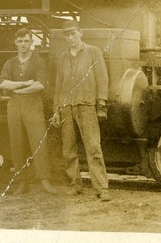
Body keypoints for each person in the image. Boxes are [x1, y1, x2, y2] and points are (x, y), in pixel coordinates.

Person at [50, 19, 112, 201]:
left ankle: (102, 188)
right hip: (66, 107)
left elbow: (102, 78)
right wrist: (56, 110)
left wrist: (101, 104)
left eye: (73, 33)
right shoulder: (62, 57)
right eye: (67, 35)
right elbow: (58, 86)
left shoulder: (93, 52)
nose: (71, 37)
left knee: (93, 148)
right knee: (68, 150)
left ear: (80, 33)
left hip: (86, 106)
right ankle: (75, 184)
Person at [0, 28, 57, 195]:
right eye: (20, 41)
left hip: (33, 105)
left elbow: (40, 85)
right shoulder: (10, 63)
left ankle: (45, 180)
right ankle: (22, 182)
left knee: (39, 142)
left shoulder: (39, 62)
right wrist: (24, 84)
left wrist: (17, 88)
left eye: (26, 41)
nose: (23, 45)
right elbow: (2, 83)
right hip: (14, 106)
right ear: (15, 43)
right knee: (17, 143)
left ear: (31, 42)